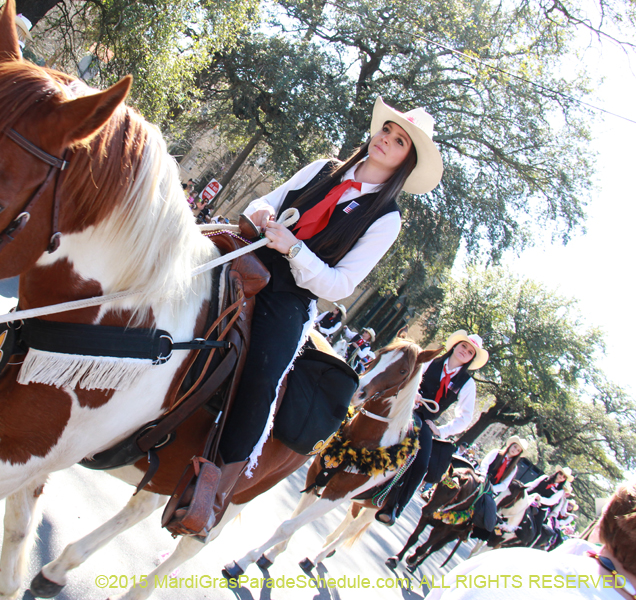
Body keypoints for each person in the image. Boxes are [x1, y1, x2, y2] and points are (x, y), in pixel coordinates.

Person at [167, 97, 444, 537]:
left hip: (292, 293)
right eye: (385, 132)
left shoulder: (387, 219)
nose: (384, 141)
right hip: (249, 250)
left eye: (397, 142)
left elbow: (341, 285)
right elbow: (269, 199)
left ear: (406, 161)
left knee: (262, 379)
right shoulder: (324, 166)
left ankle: (211, 487)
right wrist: (260, 212)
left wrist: (294, 250)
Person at [426, 482, 636, 600]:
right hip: (521, 493)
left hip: (548, 512)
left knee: (544, 528)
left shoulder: (562, 498)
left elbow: (554, 507)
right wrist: (534, 497)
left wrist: (550, 507)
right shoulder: (545, 478)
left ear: (607, 515)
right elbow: (532, 486)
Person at [376, 330, 489, 526]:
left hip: (425, 421)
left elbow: (465, 417)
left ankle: (394, 507)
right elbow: (409, 374)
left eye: (470, 352)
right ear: (455, 345)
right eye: (464, 346)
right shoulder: (432, 360)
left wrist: (441, 431)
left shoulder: (467, 384)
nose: (465, 351)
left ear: (471, 358)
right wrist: (412, 392)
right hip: (405, 405)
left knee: (421, 466)